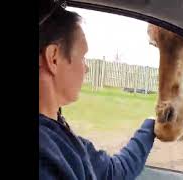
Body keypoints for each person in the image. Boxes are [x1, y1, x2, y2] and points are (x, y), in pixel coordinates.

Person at [39, 1, 156, 179]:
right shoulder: (45, 155)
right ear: (53, 58)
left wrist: (151, 126)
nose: (86, 68)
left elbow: (112, 172)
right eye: (83, 57)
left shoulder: (61, 136)